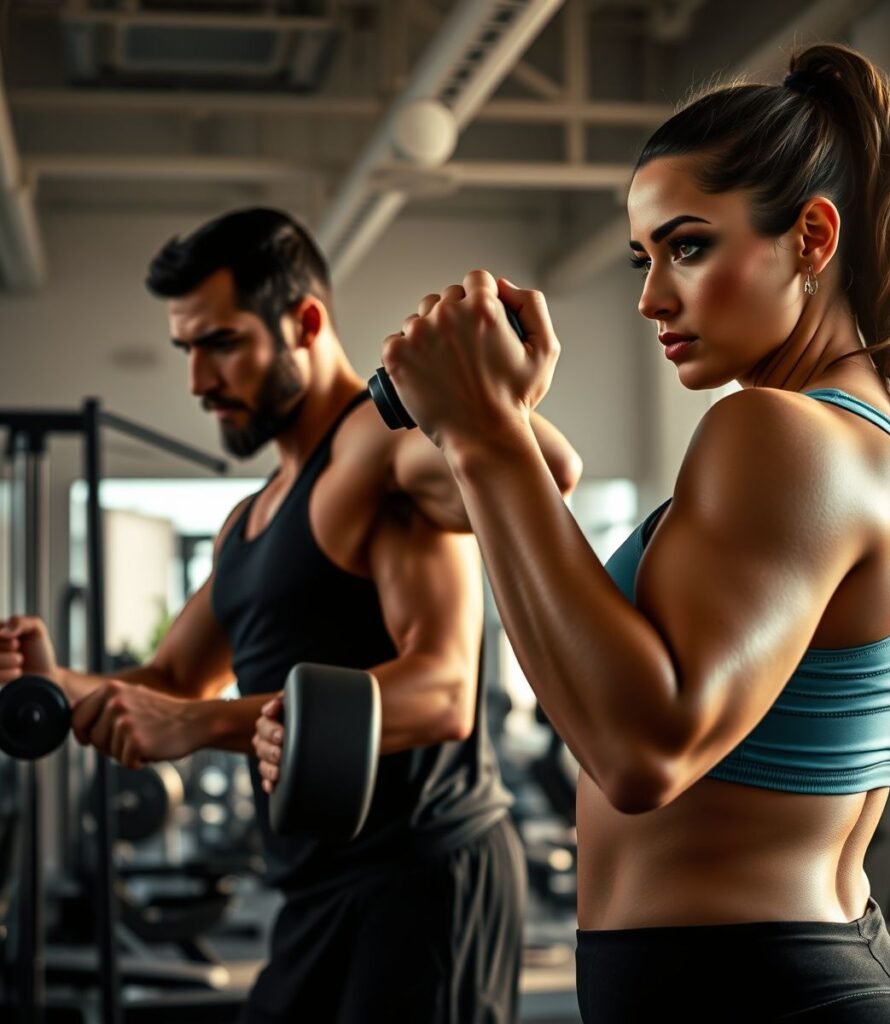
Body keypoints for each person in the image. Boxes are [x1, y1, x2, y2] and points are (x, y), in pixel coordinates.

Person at [373, 44, 890, 1023]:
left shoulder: (782, 431)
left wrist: (486, 435)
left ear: (811, 238)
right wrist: (482, 441)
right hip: (744, 976)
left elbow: (643, 752)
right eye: (644, 257)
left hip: (767, 990)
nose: (651, 296)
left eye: (688, 245)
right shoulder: (831, 435)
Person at [0, 207, 582, 1023]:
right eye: (187, 350)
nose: (199, 379)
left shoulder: (384, 449)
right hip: (315, 889)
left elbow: (444, 693)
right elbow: (172, 680)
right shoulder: (249, 519)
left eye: (222, 343)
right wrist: (56, 685)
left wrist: (200, 726)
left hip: (424, 878)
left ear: (304, 321)